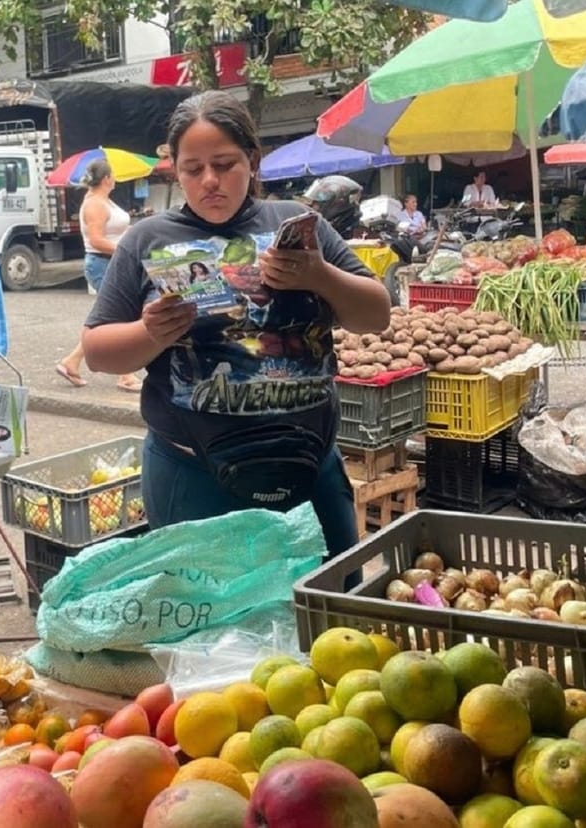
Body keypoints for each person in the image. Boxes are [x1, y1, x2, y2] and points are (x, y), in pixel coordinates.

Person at [80, 90, 390, 567]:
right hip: (193, 477)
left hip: (311, 470)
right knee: (211, 628)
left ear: (252, 160)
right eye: (193, 168)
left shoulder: (298, 224)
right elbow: (99, 351)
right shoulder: (147, 240)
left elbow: (375, 315)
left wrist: (318, 275)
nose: (209, 181)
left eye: (224, 164)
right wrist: (151, 334)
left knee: (328, 612)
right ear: (176, 171)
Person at [56, 159, 143, 393]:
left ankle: (71, 362)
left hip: (113, 263)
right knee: (119, 317)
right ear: (106, 179)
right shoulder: (94, 203)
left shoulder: (104, 200)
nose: (115, 179)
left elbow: (115, 230)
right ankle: (125, 374)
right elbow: (96, 240)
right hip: (102, 264)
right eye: (113, 175)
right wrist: (126, 251)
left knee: (109, 319)